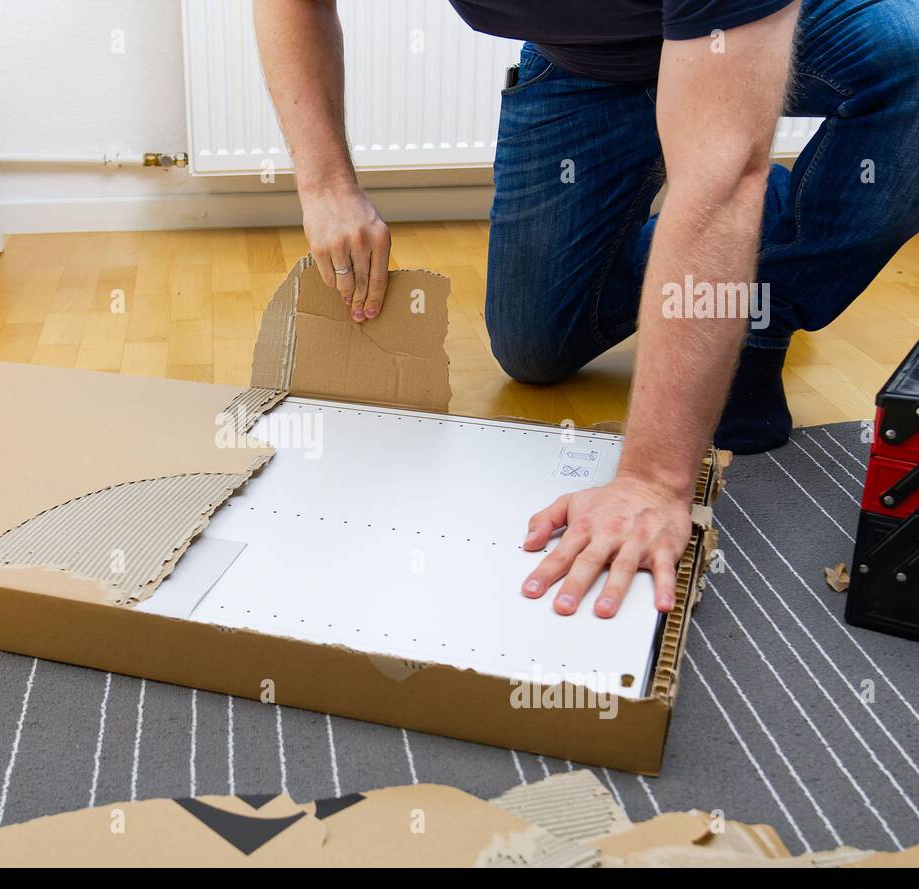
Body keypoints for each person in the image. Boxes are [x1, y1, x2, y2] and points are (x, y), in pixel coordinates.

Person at [254, 0, 918, 618]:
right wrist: (326, 186)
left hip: (755, 30)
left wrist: (653, 483)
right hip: (585, 63)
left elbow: (720, 179)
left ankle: (759, 296)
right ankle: (744, 238)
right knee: (535, 345)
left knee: (907, 61)